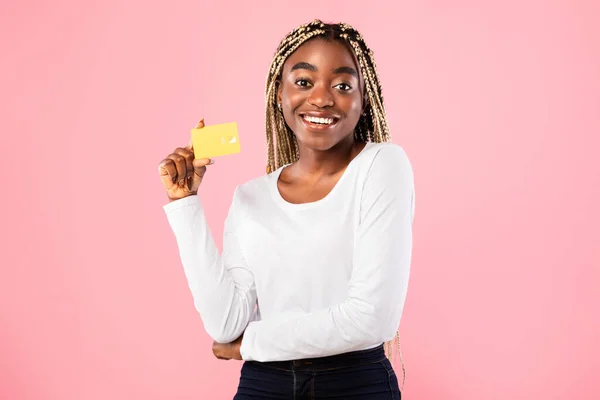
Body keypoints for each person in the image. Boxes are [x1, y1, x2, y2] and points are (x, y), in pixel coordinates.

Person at [158, 19, 415, 399]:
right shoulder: (250, 197)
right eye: (304, 81)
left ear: (365, 100)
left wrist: (252, 343)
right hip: (265, 385)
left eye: (343, 85)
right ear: (280, 94)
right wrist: (185, 205)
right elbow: (226, 324)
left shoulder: (382, 166)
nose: (322, 98)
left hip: (354, 384)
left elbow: (370, 320)